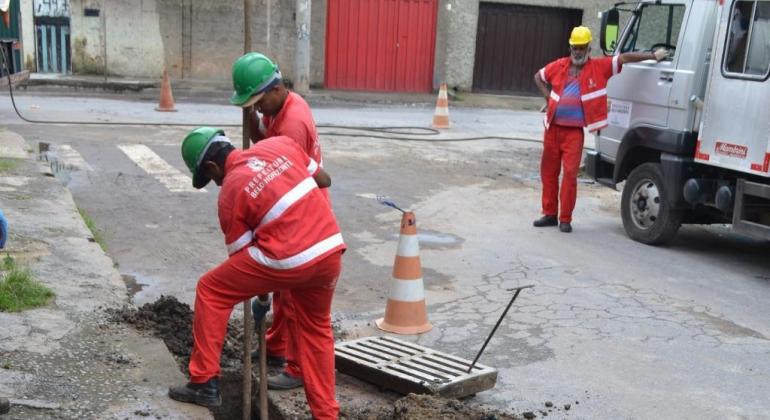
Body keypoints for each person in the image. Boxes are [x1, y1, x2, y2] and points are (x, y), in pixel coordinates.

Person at [169, 127, 345, 420]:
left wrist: (262, 299)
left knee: (212, 290)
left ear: (212, 167)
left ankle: (204, 382)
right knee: (316, 331)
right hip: (328, 249)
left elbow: (242, 258)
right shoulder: (280, 145)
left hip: (287, 258)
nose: (215, 183)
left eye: (210, 178)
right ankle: (327, 416)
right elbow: (323, 179)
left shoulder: (231, 191)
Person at [230, 51, 327, 390]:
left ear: (275, 89)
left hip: (299, 210)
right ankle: (276, 347)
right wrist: (253, 121)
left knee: (295, 296)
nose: (256, 108)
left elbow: (279, 176)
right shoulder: (277, 108)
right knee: (285, 293)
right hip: (291, 201)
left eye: (258, 102)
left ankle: (297, 368)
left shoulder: (292, 124)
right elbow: (267, 145)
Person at [533, 26, 669, 233]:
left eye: (582, 48)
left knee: (569, 174)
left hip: (573, 133)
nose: (577, 52)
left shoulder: (599, 67)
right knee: (548, 172)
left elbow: (623, 58)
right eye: (575, 48)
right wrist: (548, 98)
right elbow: (538, 77)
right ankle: (549, 214)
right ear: (570, 47)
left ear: (588, 48)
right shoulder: (559, 66)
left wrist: (653, 56)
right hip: (552, 129)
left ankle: (565, 218)